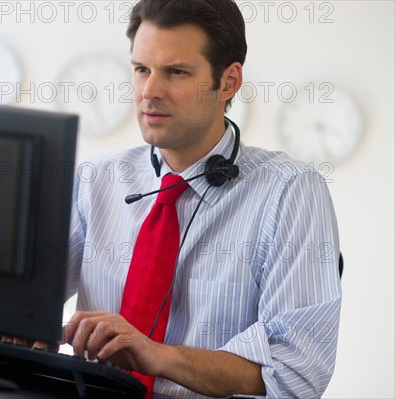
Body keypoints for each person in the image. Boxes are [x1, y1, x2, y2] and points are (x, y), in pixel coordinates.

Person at [61, 0, 342, 398]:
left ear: (228, 82)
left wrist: (157, 356)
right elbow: (23, 300)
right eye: (142, 69)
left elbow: (297, 374)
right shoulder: (97, 179)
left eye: (175, 72)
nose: (149, 91)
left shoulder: (290, 191)